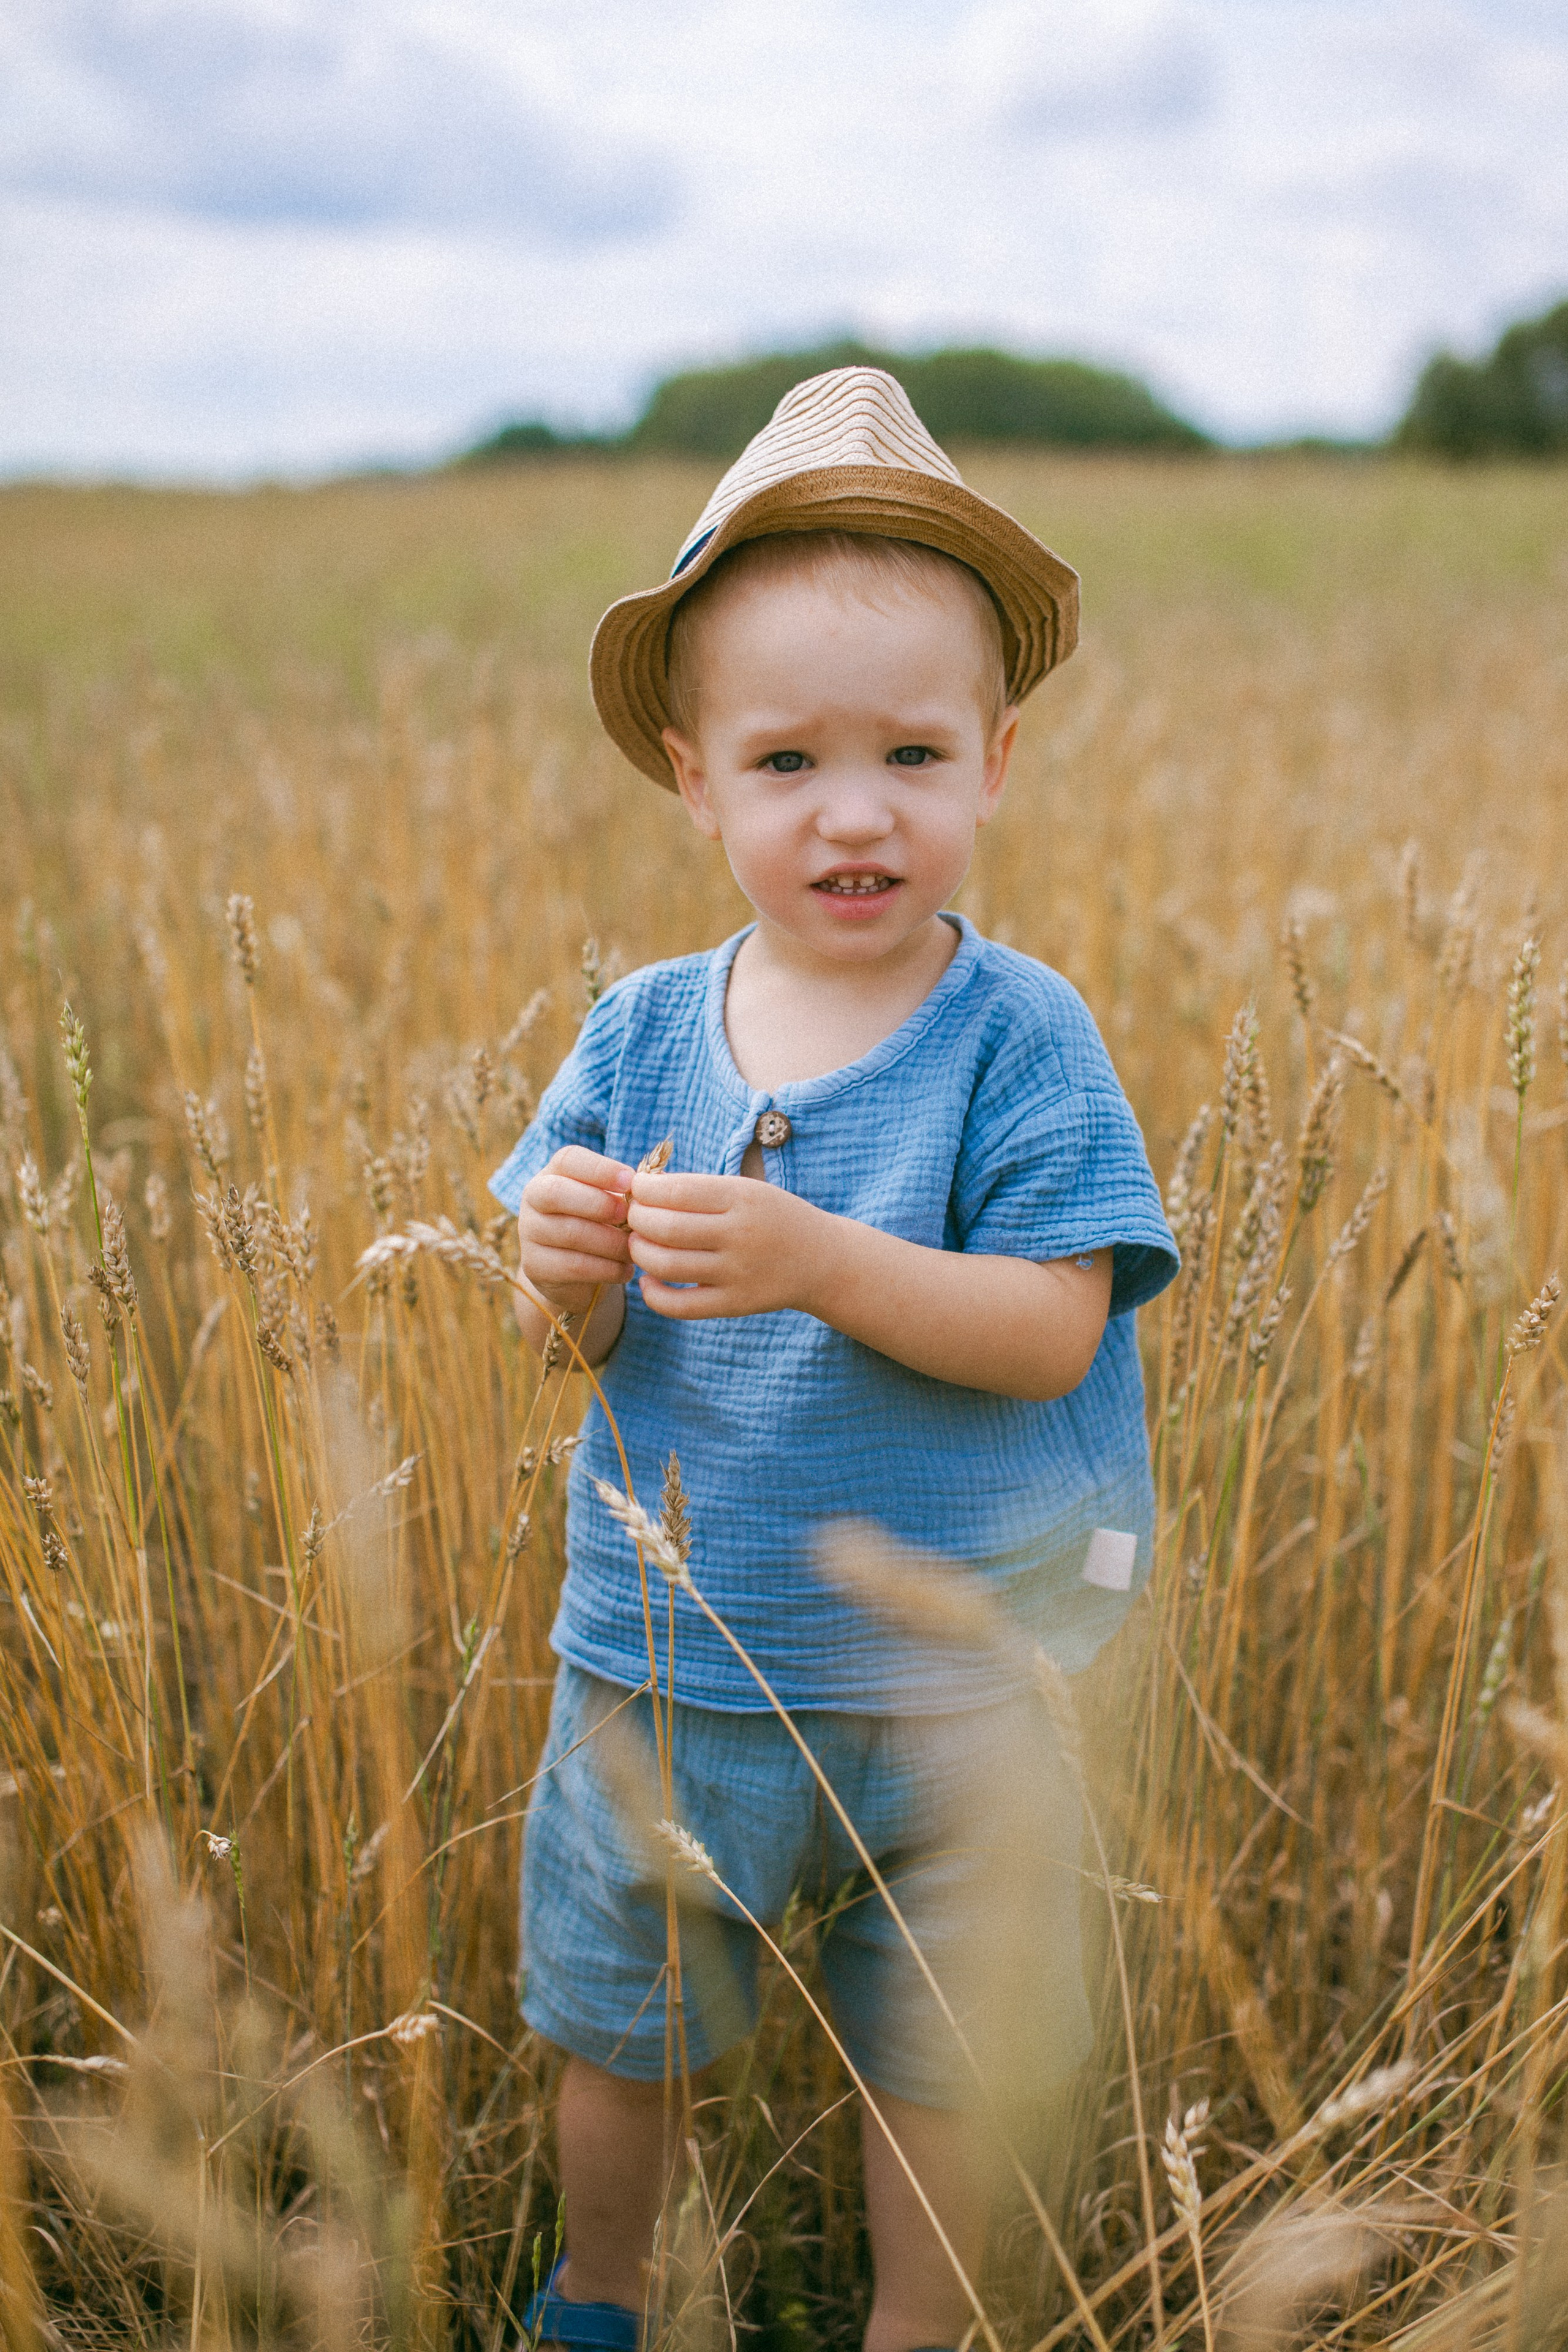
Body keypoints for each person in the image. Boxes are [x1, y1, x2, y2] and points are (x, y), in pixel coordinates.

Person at [488, 367, 1179, 2352]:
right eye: (788, 762)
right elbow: (578, 1330)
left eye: (911, 753)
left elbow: (1056, 1327)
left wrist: (812, 1255)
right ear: (695, 780)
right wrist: (561, 1263)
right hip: (678, 1662)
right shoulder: (636, 1035)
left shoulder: (1019, 1035)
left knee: (942, 2059)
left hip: (964, 1683)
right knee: (629, 2031)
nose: (854, 811)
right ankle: (600, 2301)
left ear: (996, 761)